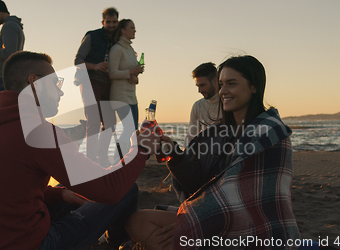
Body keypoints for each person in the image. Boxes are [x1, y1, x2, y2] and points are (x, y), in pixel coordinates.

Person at [0, 51, 162, 250]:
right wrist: (141, 148)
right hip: (30, 245)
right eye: (56, 83)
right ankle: (116, 243)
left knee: (65, 189)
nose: (61, 91)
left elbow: (5, 188)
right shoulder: (34, 131)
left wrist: (59, 195)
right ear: (34, 82)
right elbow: (110, 190)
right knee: (127, 189)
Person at [125, 55, 300, 250]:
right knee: (136, 221)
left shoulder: (270, 133)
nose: (223, 91)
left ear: (254, 86)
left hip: (254, 228)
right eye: (222, 84)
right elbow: (199, 186)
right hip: (213, 217)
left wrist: (196, 220)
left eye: (231, 84)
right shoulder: (218, 133)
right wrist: (172, 152)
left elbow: (248, 199)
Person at [74, 7, 119, 167]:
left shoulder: (117, 40)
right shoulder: (92, 36)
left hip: (108, 84)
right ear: (103, 22)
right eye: (108, 22)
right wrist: (95, 66)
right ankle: (90, 159)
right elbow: (77, 61)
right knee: (93, 121)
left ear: (117, 22)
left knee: (110, 122)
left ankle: (102, 157)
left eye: (114, 22)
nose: (111, 25)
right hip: (89, 80)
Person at [108, 19, 144, 158]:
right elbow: (112, 73)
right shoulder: (116, 49)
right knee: (129, 129)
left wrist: (135, 77)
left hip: (132, 96)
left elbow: (134, 74)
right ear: (123, 30)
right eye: (132, 28)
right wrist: (130, 72)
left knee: (134, 130)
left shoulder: (131, 50)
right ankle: (118, 159)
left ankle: (125, 160)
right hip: (119, 96)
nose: (134, 30)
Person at [184, 62, 222, 147]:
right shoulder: (198, 106)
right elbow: (190, 136)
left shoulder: (229, 103)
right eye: (198, 86)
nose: (199, 90)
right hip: (206, 155)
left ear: (215, 81)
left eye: (202, 85)